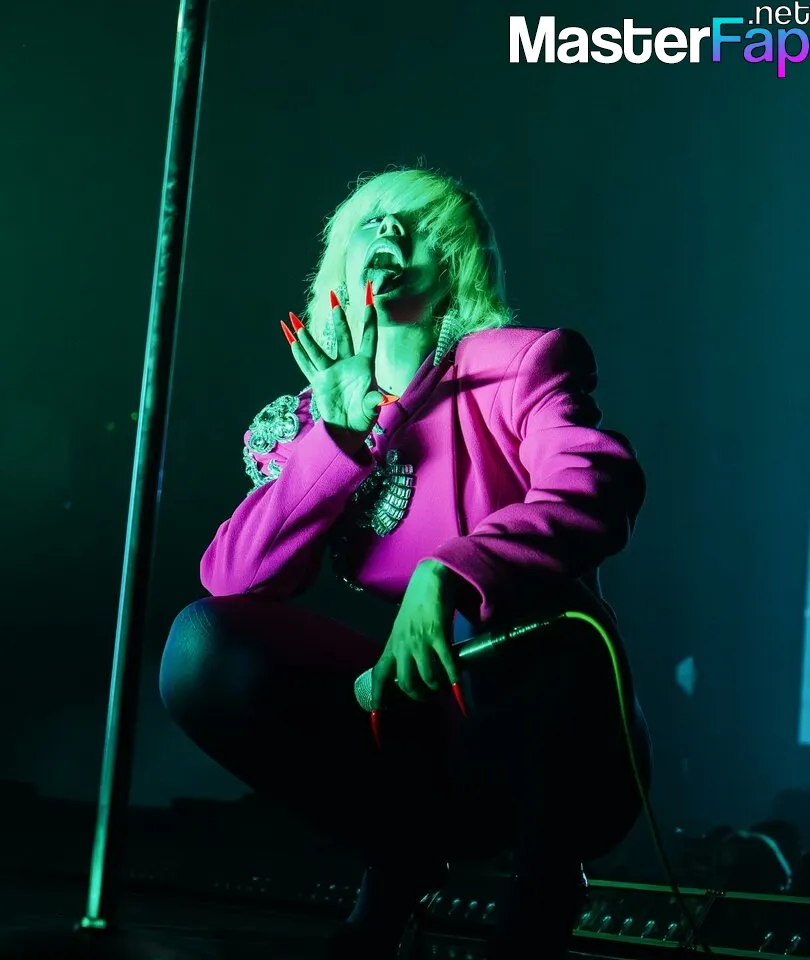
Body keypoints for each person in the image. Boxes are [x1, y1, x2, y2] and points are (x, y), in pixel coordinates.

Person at [159, 168, 652, 960]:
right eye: (372, 219)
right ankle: (399, 858)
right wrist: (339, 434)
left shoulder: (519, 364)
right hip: (420, 740)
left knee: (528, 616)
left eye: (418, 223)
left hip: (557, 728)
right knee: (201, 648)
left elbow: (595, 486)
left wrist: (449, 571)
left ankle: (545, 890)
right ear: (340, 268)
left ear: (453, 267)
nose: (390, 229)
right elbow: (234, 581)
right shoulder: (304, 420)